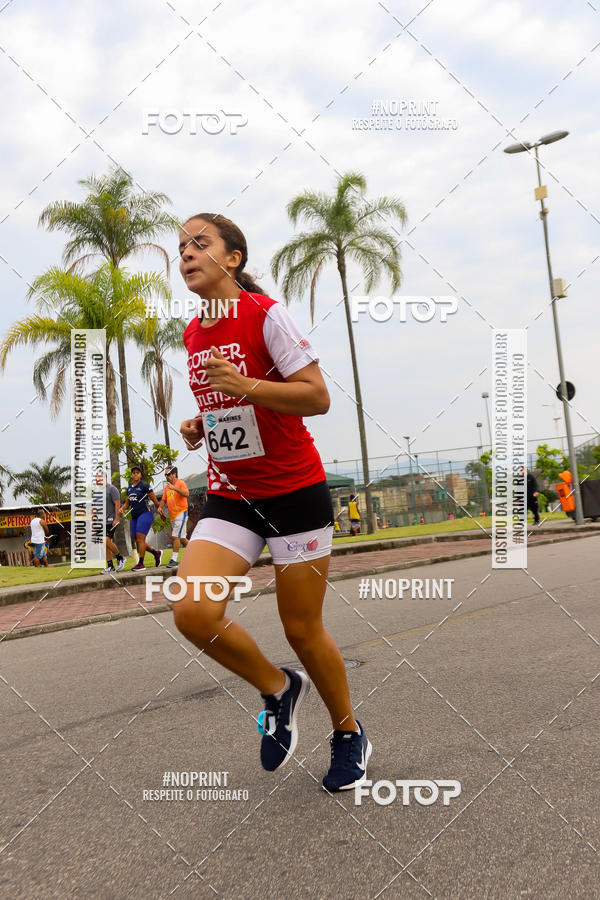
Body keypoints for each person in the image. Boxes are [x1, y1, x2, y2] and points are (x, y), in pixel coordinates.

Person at [174, 212, 371, 793]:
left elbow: (317, 397)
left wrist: (247, 386)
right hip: (232, 495)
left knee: (302, 628)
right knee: (193, 612)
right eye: (181, 245)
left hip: (293, 494)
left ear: (232, 258)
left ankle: (348, 732)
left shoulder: (266, 315)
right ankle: (279, 688)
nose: (186, 252)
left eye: (200, 243)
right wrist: (202, 424)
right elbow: (234, 413)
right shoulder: (192, 332)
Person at [121, 465, 165, 570]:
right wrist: (122, 509)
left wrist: (161, 513)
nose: (135, 474)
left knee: (140, 539)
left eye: (137, 472)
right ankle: (156, 553)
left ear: (140, 475)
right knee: (138, 541)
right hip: (135, 516)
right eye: (134, 472)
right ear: (132, 475)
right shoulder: (130, 488)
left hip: (145, 514)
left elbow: (155, 501)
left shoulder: (145, 486)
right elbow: (127, 504)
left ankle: (141, 564)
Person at [157, 466, 189, 568]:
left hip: (182, 512)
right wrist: (160, 507)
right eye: (165, 475)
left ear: (174, 474)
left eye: (168, 474)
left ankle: (173, 559)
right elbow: (163, 499)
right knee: (182, 538)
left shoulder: (181, 483)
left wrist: (174, 488)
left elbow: (186, 493)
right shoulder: (167, 487)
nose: (166, 476)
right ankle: (195, 554)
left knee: (175, 536)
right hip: (172, 515)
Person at [96, 471, 125, 574]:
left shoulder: (112, 489)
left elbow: (117, 504)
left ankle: (120, 557)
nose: (97, 479)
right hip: (100, 521)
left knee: (106, 540)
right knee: (105, 544)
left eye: (99, 477)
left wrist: (117, 518)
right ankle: (110, 566)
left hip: (110, 520)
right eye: (96, 478)